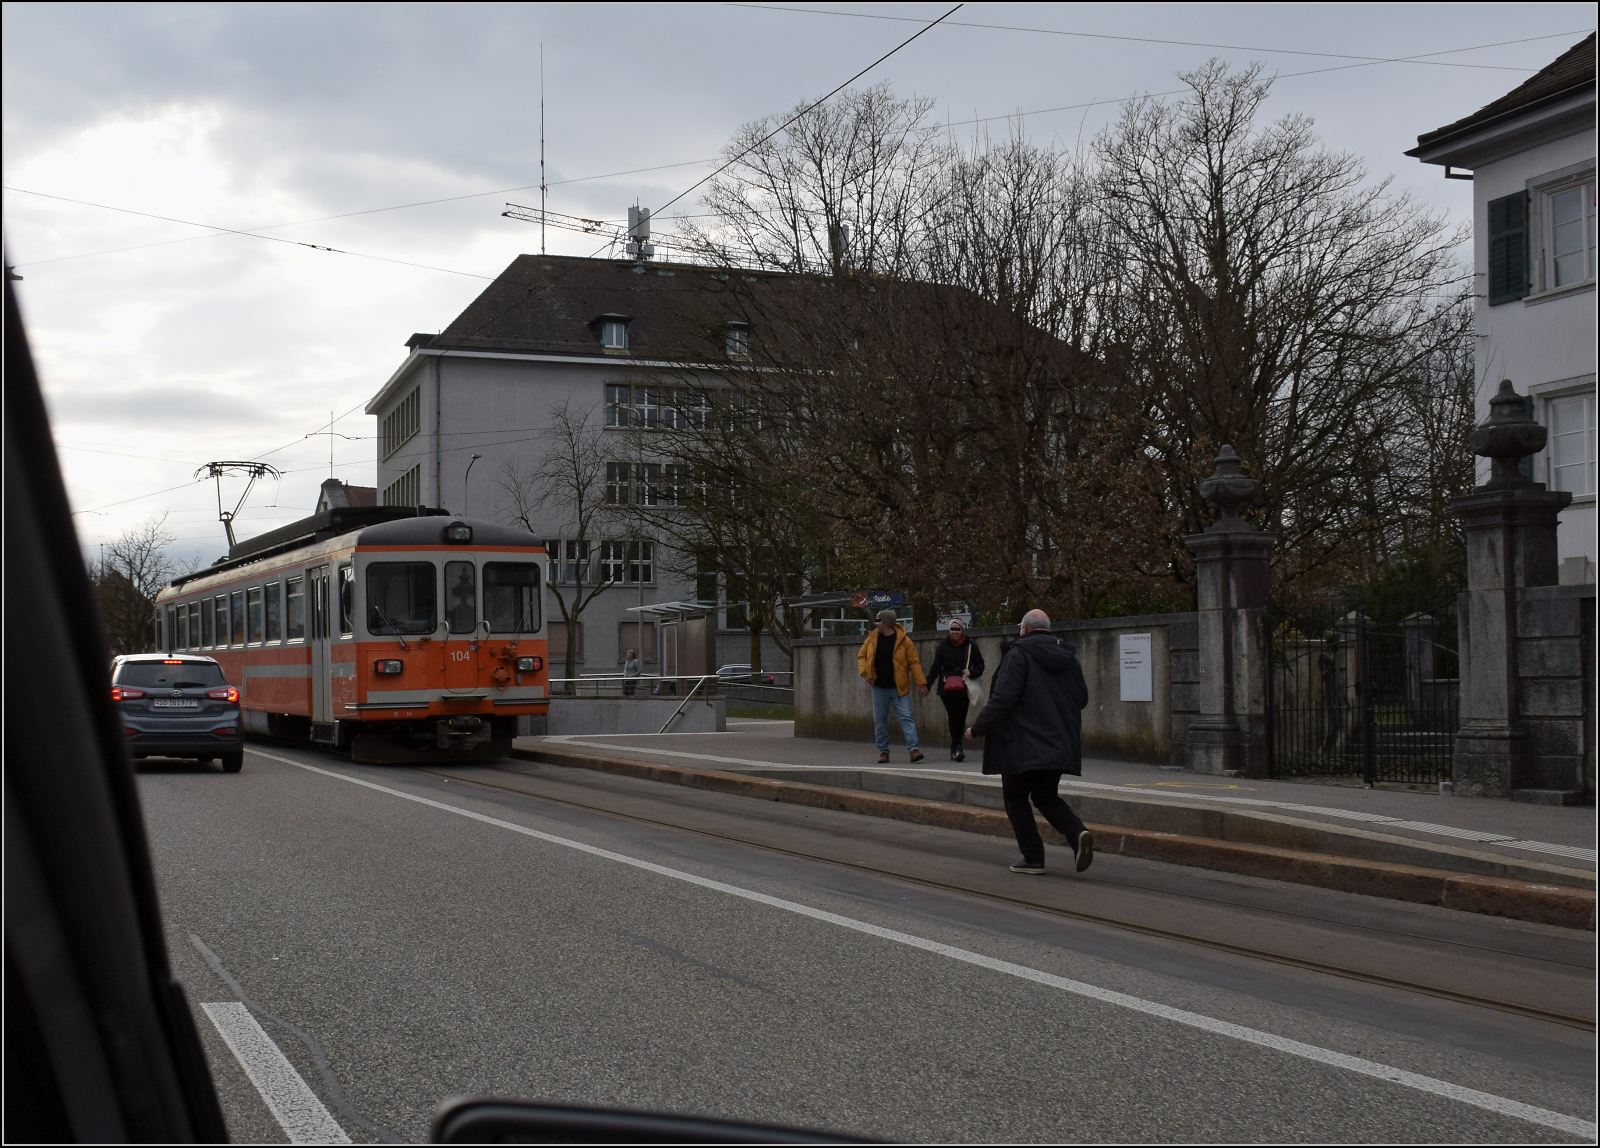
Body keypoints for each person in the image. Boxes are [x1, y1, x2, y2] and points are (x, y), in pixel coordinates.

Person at [968, 609, 1093, 875]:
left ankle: (1033, 858)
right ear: (1047, 628)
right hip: (1059, 743)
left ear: (1023, 628)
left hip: (1022, 744)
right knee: (1045, 796)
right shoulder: (1069, 659)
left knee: (1015, 798)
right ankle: (1077, 832)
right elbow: (1082, 699)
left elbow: (1003, 699)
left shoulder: (1019, 654)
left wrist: (976, 729)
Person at [856, 608, 928, 764]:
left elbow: (914, 663)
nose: (875, 623)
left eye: (878, 620)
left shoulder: (905, 641)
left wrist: (921, 684)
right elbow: (861, 656)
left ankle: (913, 750)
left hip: (899, 688)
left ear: (886, 623)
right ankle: (883, 752)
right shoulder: (872, 639)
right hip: (879, 687)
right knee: (880, 721)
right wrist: (865, 673)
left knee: (907, 717)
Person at [927, 619, 985, 761]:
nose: (955, 632)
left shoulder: (971, 646)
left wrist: (972, 672)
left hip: (963, 685)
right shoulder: (942, 647)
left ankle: (956, 745)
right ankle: (957, 747)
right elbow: (935, 668)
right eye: (952, 629)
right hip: (947, 686)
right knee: (954, 716)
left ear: (962, 631)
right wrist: (927, 685)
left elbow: (980, 665)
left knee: (961, 716)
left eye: (957, 629)